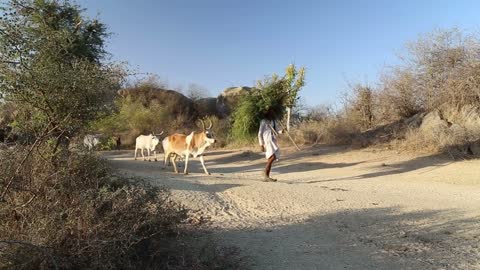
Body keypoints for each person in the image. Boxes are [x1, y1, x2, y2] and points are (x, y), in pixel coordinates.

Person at [258, 108, 282, 182]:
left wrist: (282, 131)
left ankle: (266, 175)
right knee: (272, 157)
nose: (272, 115)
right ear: (268, 114)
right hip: (267, 141)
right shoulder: (264, 121)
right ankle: (265, 173)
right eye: (271, 113)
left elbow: (277, 130)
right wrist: (261, 144)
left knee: (271, 157)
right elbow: (260, 133)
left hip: (273, 140)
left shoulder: (274, 121)